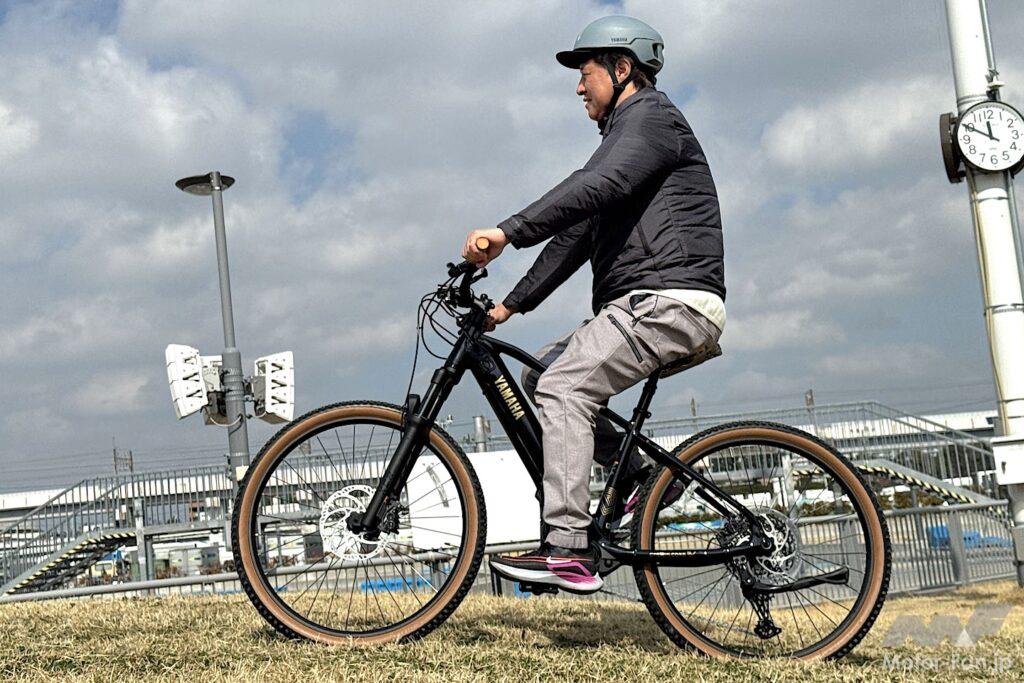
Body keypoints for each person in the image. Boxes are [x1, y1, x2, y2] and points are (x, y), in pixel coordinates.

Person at [462, 15, 726, 593]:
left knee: (563, 388)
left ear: (621, 69)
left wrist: (507, 232)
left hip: (669, 299)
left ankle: (568, 550)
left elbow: (592, 186)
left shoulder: (651, 119)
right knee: (541, 374)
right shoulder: (624, 144)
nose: (578, 87)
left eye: (586, 74)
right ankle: (638, 479)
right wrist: (508, 306)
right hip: (645, 301)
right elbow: (576, 234)